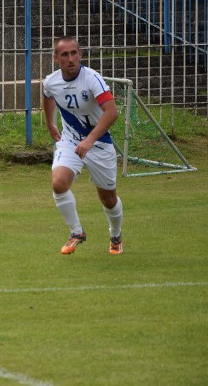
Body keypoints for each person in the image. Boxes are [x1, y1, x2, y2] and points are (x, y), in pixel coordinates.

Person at [42, 36, 124, 255]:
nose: (70, 59)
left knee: (108, 199)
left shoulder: (92, 79)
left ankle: (115, 235)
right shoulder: (51, 81)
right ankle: (76, 232)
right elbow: (47, 94)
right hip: (70, 141)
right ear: (55, 58)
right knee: (58, 183)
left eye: (74, 53)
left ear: (81, 54)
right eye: (64, 54)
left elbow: (112, 112)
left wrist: (90, 140)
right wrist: (50, 123)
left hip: (99, 144)